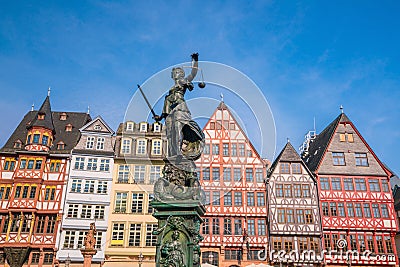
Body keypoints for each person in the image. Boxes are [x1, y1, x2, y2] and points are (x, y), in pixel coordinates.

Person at [154, 53, 201, 158]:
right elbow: (167, 103)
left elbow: (193, 73)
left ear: (181, 74)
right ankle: (172, 154)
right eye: (173, 72)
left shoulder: (183, 81)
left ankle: (178, 153)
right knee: (171, 133)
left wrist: (195, 60)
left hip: (179, 108)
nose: (174, 74)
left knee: (178, 128)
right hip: (170, 110)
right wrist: (160, 117)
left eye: (176, 72)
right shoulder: (172, 88)